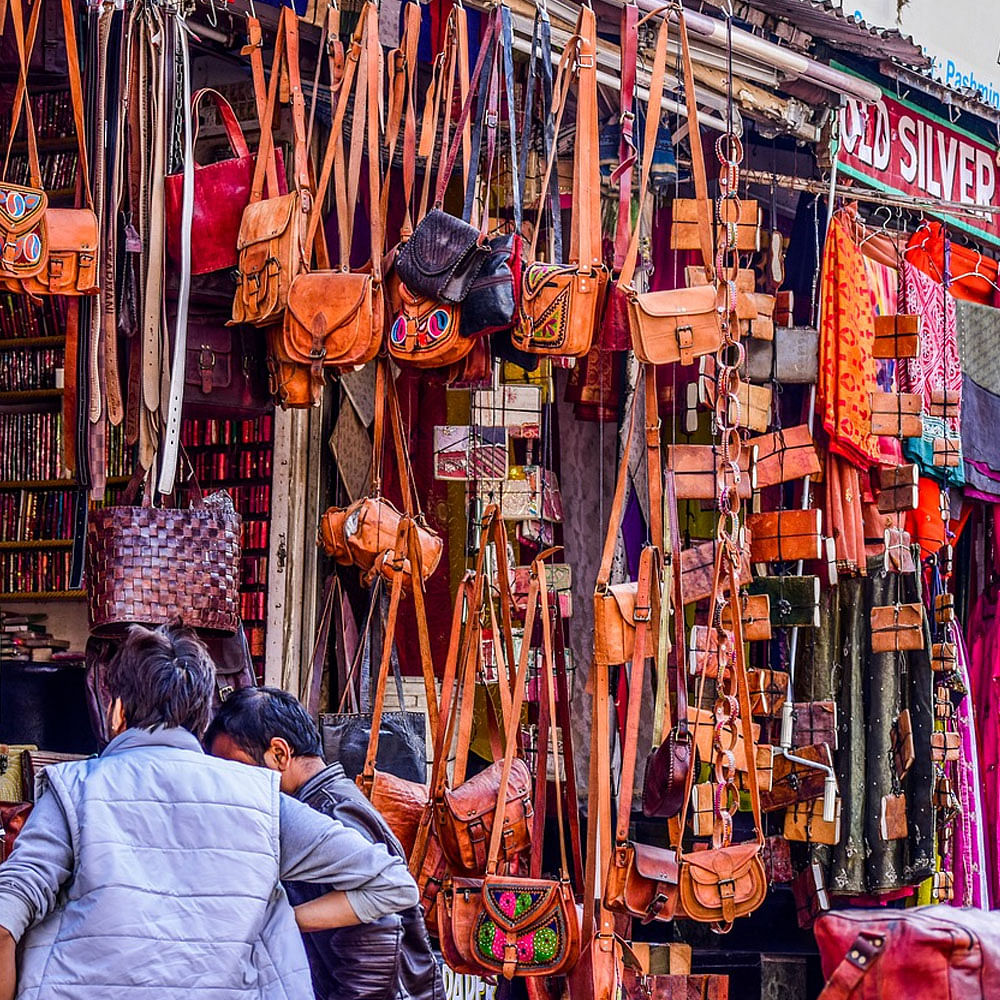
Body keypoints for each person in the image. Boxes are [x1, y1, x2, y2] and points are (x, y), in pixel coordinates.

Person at [0, 624, 419, 1000]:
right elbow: (394, 885)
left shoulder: (73, 790)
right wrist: (279, 922)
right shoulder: (262, 800)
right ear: (201, 720)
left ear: (117, 712)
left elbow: (5, 919)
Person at [206, 687, 442, 1000]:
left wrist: (280, 921)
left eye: (237, 769)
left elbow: (375, 947)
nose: (231, 785)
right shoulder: (327, 803)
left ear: (279, 753)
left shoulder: (330, 812)